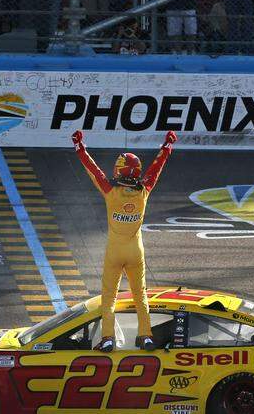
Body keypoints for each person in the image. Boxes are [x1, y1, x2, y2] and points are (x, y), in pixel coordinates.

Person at [71, 129, 177, 353]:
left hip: (114, 251)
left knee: (109, 297)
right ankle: (146, 336)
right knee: (140, 295)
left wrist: (80, 148)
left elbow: (94, 171)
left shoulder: (111, 191)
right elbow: (155, 170)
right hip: (135, 251)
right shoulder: (143, 191)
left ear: (119, 171)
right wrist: (167, 146)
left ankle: (108, 338)